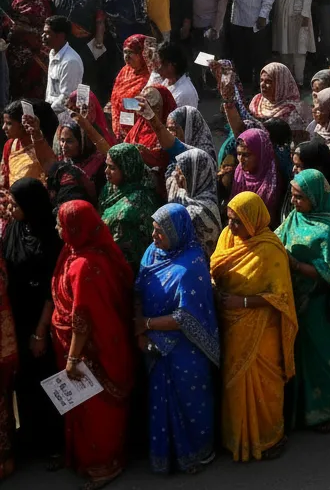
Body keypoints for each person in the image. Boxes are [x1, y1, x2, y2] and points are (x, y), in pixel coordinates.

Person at [50, 200, 135, 489]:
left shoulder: (85, 265)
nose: (58, 229)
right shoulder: (73, 252)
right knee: (81, 408)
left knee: (96, 410)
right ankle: (83, 458)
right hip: (81, 347)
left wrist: (73, 358)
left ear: (77, 228)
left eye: (62, 224)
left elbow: (82, 319)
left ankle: (104, 466)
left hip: (93, 351)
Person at [210, 192, 297, 462]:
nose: (231, 225)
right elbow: (215, 268)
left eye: (237, 221)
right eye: (229, 219)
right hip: (231, 325)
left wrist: (243, 301)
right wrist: (215, 290)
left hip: (261, 329)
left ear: (254, 220)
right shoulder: (227, 237)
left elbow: (281, 297)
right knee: (234, 384)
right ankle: (236, 439)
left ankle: (268, 438)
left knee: (264, 383)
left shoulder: (271, 250)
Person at [134, 203, 220, 475]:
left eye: (160, 231)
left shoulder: (192, 264)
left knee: (190, 401)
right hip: (154, 345)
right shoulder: (152, 252)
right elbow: (138, 289)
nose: (154, 236)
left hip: (186, 349)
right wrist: (140, 330)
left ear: (176, 232)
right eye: (153, 229)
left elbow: (186, 316)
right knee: (160, 402)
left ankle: (197, 453)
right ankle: (168, 455)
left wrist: (146, 324)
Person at [276, 168, 330, 431]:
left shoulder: (329, 229)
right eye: (292, 195)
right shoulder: (294, 218)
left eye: (300, 197)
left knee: (323, 357)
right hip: (294, 299)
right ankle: (304, 410)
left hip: (318, 304)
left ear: (315, 197)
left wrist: (295, 265)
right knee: (300, 357)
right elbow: (277, 240)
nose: (294, 201)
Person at [4, 177, 61, 466]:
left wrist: (40, 331)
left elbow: (52, 287)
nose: (11, 208)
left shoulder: (50, 236)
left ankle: (54, 444)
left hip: (42, 319)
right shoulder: (15, 229)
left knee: (46, 377)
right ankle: (29, 439)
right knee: (23, 381)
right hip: (18, 316)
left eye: (16, 204)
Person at [98, 142, 160, 272]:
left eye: (112, 168)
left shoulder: (139, 200)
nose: (106, 171)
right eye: (106, 166)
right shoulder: (110, 188)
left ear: (127, 169)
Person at [165, 148, 222, 256]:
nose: (176, 177)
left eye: (181, 173)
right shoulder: (189, 195)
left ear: (195, 175)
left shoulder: (199, 211)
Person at [43, 15, 84, 114]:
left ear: (60, 36)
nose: (43, 36)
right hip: (53, 112)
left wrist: (47, 114)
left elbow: (66, 98)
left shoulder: (70, 61)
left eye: (48, 33)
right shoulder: (53, 53)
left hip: (65, 116)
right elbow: (51, 91)